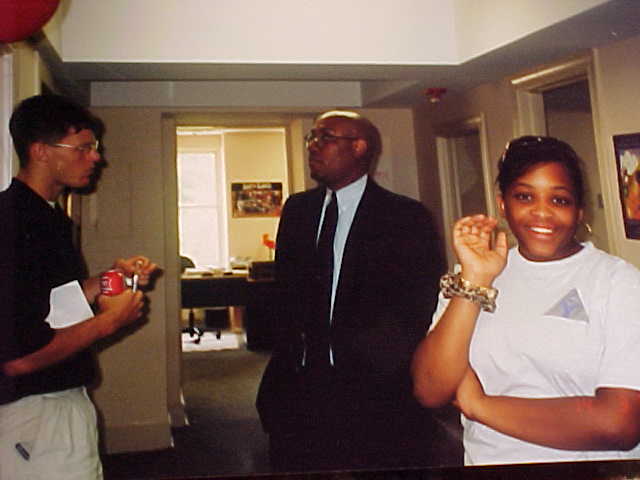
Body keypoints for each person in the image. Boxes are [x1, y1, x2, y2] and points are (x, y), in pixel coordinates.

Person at [411, 135, 640, 465]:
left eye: (559, 200)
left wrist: (479, 405)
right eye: (525, 196)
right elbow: (430, 389)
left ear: (579, 211)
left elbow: (619, 423)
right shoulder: (472, 276)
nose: (542, 213)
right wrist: (475, 280)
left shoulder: (618, 283)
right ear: (503, 204)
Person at [256, 110, 451, 471]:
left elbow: (417, 304)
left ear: (359, 147)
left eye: (324, 137)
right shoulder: (298, 210)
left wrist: (371, 363)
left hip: (372, 391)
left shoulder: (404, 217)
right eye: (311, 138)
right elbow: (286, 292)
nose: (313, 146)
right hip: (297, 387)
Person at [0, 94, 158, 480]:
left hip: (53, 411)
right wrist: (109, 322)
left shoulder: (44, 217)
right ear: (40, 151)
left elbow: (47, 304)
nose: (96, 157)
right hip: (36, 418)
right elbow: (18, 357)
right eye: (83, 147)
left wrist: (106, 280)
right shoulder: (14, 222)